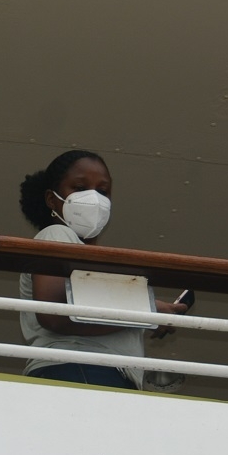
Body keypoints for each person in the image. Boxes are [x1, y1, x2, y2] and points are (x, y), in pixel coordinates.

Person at [17, 149, 188, 391]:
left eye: (103, 191)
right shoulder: (56, 234)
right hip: (78, 368)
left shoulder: (90, 258)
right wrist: (147, 312)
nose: (94, 198)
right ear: (52, 199)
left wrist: (148, 313)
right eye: (79, 188)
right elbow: (55, 312)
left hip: (97, 372)